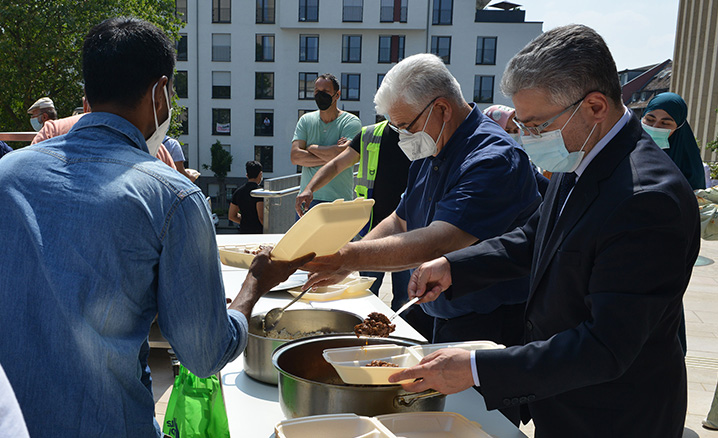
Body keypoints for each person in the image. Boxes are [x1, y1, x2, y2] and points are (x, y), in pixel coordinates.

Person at [0, 17, 313, 438]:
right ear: (160, 93)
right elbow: (205, 355)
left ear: (88, 91)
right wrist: (254, 285)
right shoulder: (173, 197)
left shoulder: (8, 174)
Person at [389, 25, 700, 438]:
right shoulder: (583, 156)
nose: (529, 137)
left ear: (594, 107)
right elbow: (535, 239)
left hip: (613, 415)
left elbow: (604, 346)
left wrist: (476, 368)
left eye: (537, 125)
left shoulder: (646, 199)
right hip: (563, 398)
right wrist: (454, 267)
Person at [303, 53, 541, 349]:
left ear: (441, 109)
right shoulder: (431, 148)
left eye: (406, 126)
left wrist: (348, 257)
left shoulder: (493, 159)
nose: (403, 137)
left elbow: (441, 240)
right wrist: (348, 261)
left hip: (491, 324)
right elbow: (400, 220)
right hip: (442, 312)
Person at [295, 120, 412, 310]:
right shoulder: (370, 135)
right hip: (372, 232)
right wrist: (310, 188)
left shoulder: (422, 135)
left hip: (409, 231)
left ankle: (400, 337)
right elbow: (336, 165)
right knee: (367, 295)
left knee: (405, 300)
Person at [291, 74, 362, 214]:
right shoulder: (305, 121)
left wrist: (311, 148)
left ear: (337, 95)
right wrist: (334, 155)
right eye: (317, 91)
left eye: (325, 91)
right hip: (308, 200)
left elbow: (348, 156)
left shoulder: (351, 122)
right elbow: (295, 157)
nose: (320, 95)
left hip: (339, 201)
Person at [642, 92, 706, 190]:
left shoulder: (688, 164)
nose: (655, 127)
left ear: (678, 127)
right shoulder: (626, 146)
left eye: (665, 123)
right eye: (650, 119)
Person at [229, 160, 264, 234]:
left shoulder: (238, 192)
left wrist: (245, 221)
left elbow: (231, 216)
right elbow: (261, 217)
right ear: (260, 174)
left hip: (243, 231)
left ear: (247, 175)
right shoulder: (259, 193)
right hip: (258, 232)